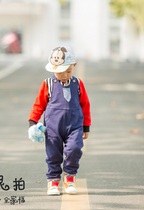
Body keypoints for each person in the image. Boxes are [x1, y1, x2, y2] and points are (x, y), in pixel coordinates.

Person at [28, 46, 91, 195]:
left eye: (68, 71)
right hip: (53, 128)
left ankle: (69, 177)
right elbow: (38, 105)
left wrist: (86, 126)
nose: (64, 75)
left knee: (74, 149)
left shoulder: (78, 84)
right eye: (59, 72)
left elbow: (85, 105)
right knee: (53, 154)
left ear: (74, 66)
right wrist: (32, 122)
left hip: (74, 126)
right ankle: (53, 181)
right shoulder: (47, 84)